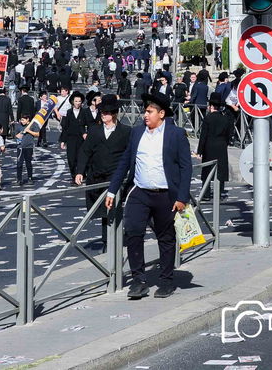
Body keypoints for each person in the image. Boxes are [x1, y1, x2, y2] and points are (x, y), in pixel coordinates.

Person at [106, 93, 193, 300]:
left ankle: (166, 281)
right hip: (140, 192)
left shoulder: (176, 134)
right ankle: (139, 281)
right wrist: (112, 189)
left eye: (149, 111)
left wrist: (182, 197)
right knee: (134, 232)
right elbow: (125, 162)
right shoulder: (137, 133)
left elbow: (186, 167)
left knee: (166, 238)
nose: (145, 115)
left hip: (166, 195)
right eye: (145, 111)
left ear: (161, 114)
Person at [78, 96, 132, 243]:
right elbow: (85, 151)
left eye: (106, 113)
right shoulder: (94, 131)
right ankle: (106, 240)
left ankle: (116, 239)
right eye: (102, 113)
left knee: (114, 208)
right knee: (102, 210)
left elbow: (131, 155)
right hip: (97, 175)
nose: (103, 115)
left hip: (115, 177)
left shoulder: (126, 131)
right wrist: (79, 171)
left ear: (114, 114)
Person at [194, 94, 233, 197]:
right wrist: (226, 143)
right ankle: (219, 192)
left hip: (209, 145)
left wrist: (200, 151)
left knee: (207, 169)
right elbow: (229, 134)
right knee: (221, 169)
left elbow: (203, 135)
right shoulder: (225, 118)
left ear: (211, 106)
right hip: (221, 145)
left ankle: (206, 193)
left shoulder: (208, 118)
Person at [15, 115, 36, 186]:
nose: (22, 121)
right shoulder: (18, 126)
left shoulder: (32, 125)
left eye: (23, 120)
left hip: (29, 147)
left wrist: (29, 131)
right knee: (19, 164)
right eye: (21, 120)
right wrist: (20, 133)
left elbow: (37, 134)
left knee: (28, 163)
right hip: (20, 147)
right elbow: (16, 135)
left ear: (28, 120)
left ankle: (30, 178)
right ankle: (19, 179)